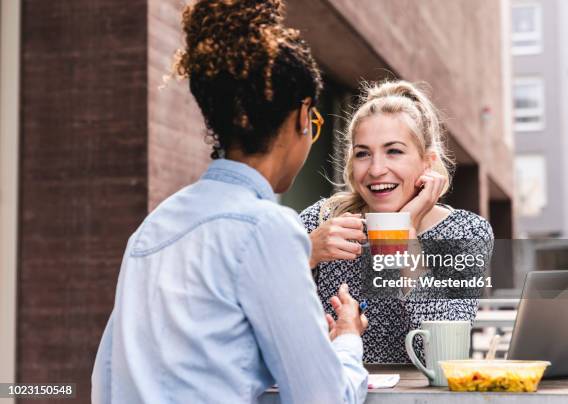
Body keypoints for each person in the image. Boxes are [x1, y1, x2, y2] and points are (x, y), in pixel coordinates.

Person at [91, 1, 369, 403]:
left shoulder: (153, 228)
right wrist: (346, 340)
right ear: (302, 116)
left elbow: (111, 378)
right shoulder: (267, 228)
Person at [300, 80, 494, 363]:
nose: (376, 169)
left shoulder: (465, 232)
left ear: (427, 162)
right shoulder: (322, 223)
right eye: (363, 154)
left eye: (394, 151)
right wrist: (306, 253)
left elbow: (443, 354)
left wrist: (404, 233)